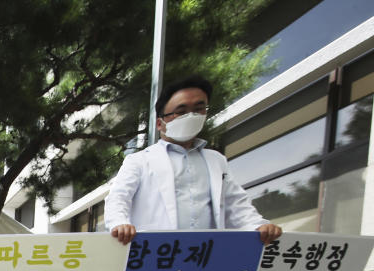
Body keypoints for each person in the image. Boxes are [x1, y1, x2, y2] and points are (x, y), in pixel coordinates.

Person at [104, 75, 281, 245]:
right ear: (160, 124)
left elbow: (236, 204)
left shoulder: (216, 160)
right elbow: (118, 197)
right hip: (159, 255)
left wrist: (258, 225)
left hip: (207, 254)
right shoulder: (139, 160)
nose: (191, 116)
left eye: (198, 109)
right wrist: (120, 223)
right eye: (181, 111)